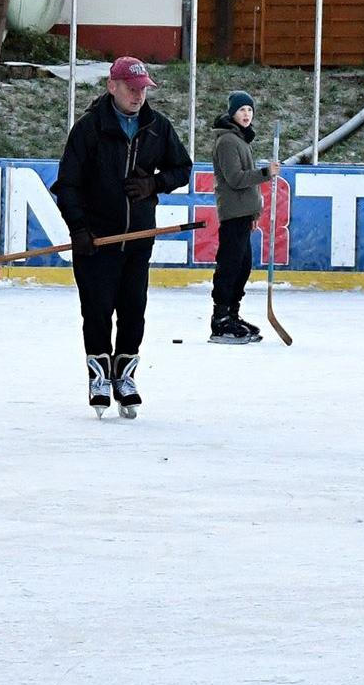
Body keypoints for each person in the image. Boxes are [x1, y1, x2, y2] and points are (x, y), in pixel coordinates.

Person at [51, 56, 192, 417]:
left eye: (143, 89)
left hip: (138, 242)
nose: (138, 95)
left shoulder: (157, 128)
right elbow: (67, 185)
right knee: (97, 313)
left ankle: (125, 376)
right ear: (112, 86)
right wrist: (79, 229)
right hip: (96, 243)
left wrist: (155, 183)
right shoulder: (88, 129)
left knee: (133, 313)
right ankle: (99, 377)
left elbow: (182, 168)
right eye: (131, 88)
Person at [209, 90, 276, 344]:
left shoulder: (240, 140)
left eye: (249, 110)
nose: (246, 114)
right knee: (230, 265)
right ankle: (221, 318)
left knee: (242, 265)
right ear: (232, 114)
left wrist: (254, 211)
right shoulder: (227, 141)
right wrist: (265, 172)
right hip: (232, 212)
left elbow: (249, 184)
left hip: (243, 212)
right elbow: (236, 179)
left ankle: (233, 314)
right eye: (241, 110)